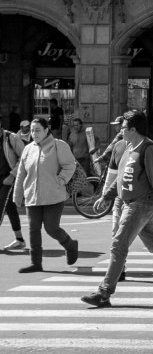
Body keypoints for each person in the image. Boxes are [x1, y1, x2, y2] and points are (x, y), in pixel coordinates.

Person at [80, 111, 153, 307]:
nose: (120, 131)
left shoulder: (149, 149)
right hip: (129, 203)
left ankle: (104, 292)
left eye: (123, 128)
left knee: (118, 245)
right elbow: (121, 178)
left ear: (133, 129)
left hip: (141, 204)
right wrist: (106, 196)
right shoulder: (128, 147)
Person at [12, 116, 79, 274]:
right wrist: (17, 195)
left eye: (38, 130)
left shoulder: (58, 145)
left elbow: (70, 165)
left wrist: (61, 180)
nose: (34, 133)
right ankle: (36, 263)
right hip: (32, 196)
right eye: (32, 130)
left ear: (47, 130)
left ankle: (70, 245)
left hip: (53, 196)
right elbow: (21, 173)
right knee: (33, 229)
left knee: (51, 228)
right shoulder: (28, 149)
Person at [1, 121, 27, 251]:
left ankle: (20, 240)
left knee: (1, 206)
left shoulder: (11, 138)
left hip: (8, 178)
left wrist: (12, 175)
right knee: (10, 208)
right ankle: (20, 240)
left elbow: (24, 157)